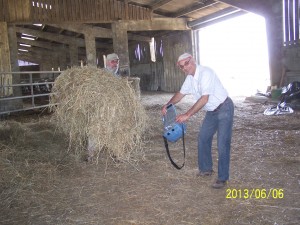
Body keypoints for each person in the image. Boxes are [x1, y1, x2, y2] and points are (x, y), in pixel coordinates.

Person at [161, 53, 234, 189]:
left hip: (224, 107)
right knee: (203, 138)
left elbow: (204, 99)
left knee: (222, 143)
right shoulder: (190, 78)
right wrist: (168, 104)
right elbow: (180, 94)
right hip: (212, 111)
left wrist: (187, 114)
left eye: (186, 64)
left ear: (193, 60)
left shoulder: (206, 73)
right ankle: (206, 169)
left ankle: (223, 178)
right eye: (181, 66)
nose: (184, 68)